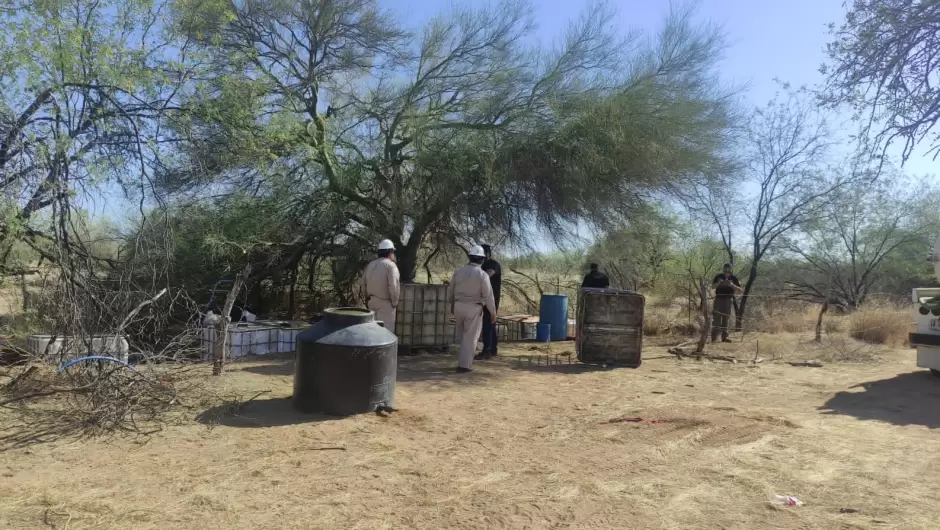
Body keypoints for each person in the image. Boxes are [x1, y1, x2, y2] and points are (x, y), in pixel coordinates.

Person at [448, 245, 497, 373]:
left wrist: (452, 304)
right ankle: (464, 366)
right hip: (474, 308)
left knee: (462, 336)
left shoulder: (458, 271)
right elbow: (488, 296)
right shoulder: (482, 275)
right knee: (470, 338)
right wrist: (493, 312)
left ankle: (462, 362)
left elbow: (450, 290)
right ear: (482, 260)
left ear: (469, 257)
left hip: (458, 307)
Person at [361, 239, 401, 332]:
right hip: (386, 306)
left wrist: (367, 300)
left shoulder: (370, 265)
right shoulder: (391, 266)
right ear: (390, 252)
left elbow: (363, 284)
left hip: (371, 303)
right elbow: (394, 286)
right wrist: (394, 303)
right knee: (386, 335)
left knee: (372, 333)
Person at [477, 243, 502, 360]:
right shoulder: (481, 266)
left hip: (492, 298)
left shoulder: (492, 264)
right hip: (484, 297)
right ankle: (492, 349)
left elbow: (489, 274)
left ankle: (487, 350)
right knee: (490, 324)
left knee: (488, 323)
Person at [711, 263, 742, 343]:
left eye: (728, 270)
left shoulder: (734, 278)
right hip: (718, 299)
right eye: (725, 270)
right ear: (723, 269)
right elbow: (712, 287)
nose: (727, 271)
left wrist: (731, 285)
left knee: (726, 319)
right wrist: (720, 283)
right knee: (716, 319)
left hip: (728, 300)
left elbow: (740, 291)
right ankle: (714, 338)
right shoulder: (718, 276)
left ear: (731, 270)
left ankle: (724, 337)